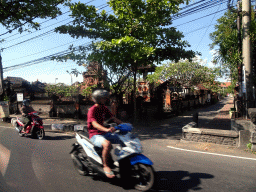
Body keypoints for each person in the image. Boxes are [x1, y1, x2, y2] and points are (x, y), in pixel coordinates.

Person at [87, 89, 123, 179]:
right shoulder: (92, 110)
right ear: (98, 99)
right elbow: (94, 124)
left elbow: (113, 118)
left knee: (123, 138)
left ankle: (123, 160)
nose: (106, 99)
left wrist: (124, 124)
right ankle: (106, 166)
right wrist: (106, 129)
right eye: (104, 98)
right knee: (107, 144)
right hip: (94, 135)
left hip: (103, 133)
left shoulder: (104, 108)